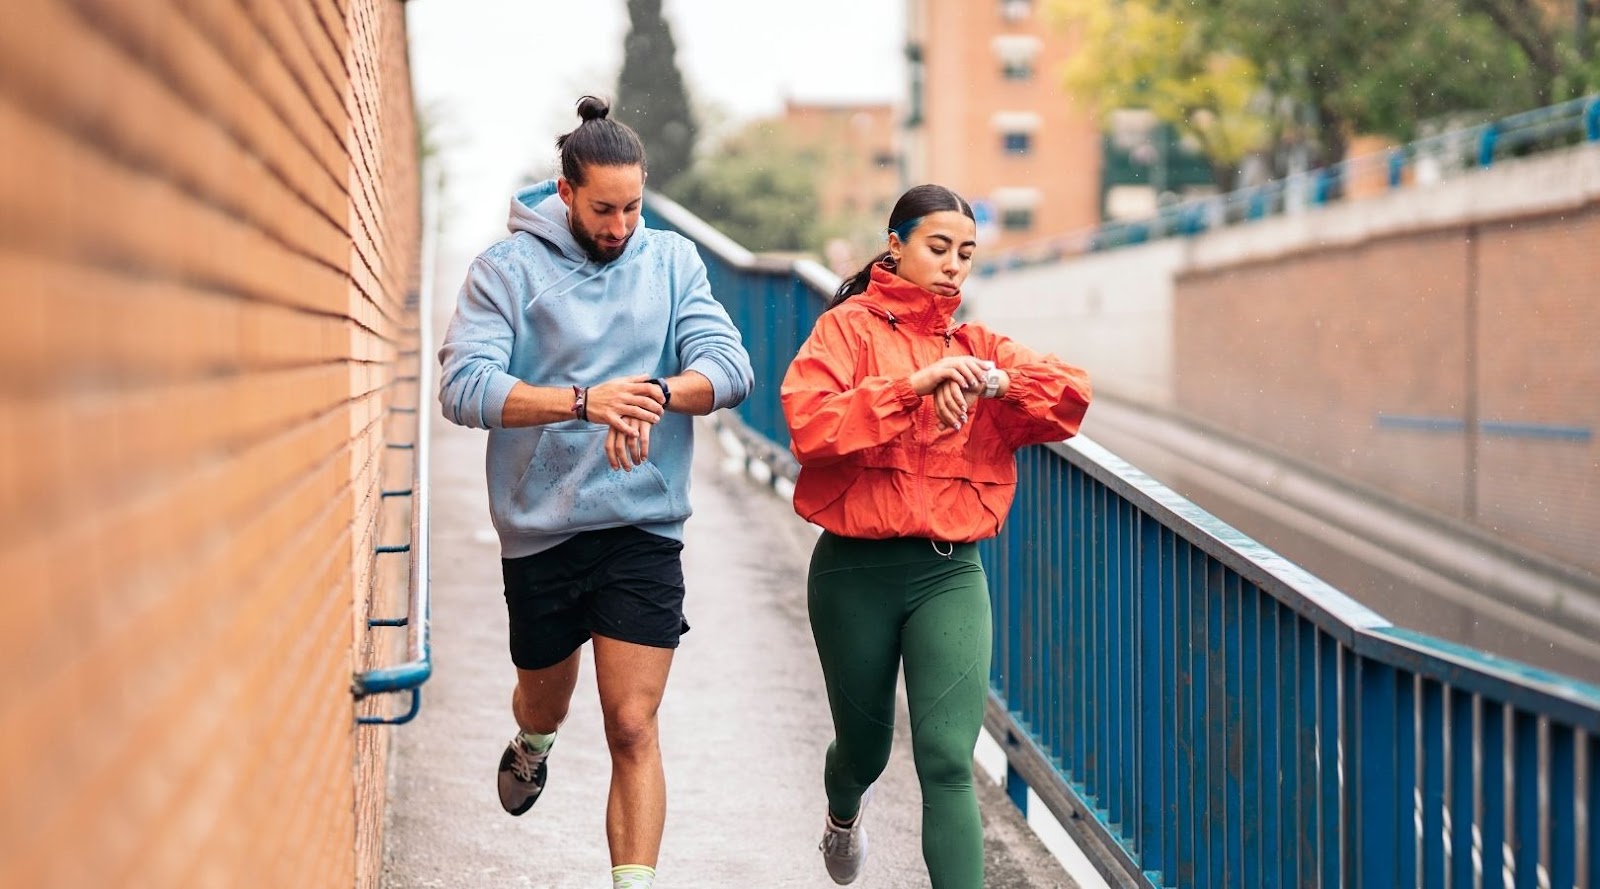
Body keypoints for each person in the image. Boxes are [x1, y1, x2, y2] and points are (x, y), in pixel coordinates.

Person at [437, 95, 753, 889]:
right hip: (541, 529)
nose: (619, 227)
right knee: (546, 702)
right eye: (604, 208)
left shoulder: (672, 261)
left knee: (633, 723)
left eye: (633, 207)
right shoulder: (505, 271)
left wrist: (650, 392)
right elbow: (464, 387)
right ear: (566, 190)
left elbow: (730, 367)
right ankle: (533, 740)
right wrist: (583, 400)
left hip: (642, 523)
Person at [780, 185, 1092, 887]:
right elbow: (809, 425)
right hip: (854, 573)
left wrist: (995, 381)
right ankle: (842, 808)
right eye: (939, 247)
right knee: (864, 751)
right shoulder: (847, 331)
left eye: (968, 253)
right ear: (896, 244)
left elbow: (1071, 398)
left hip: (950, 574)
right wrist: (914, 386)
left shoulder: (976, 345)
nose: (954, 265)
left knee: (949, 759)